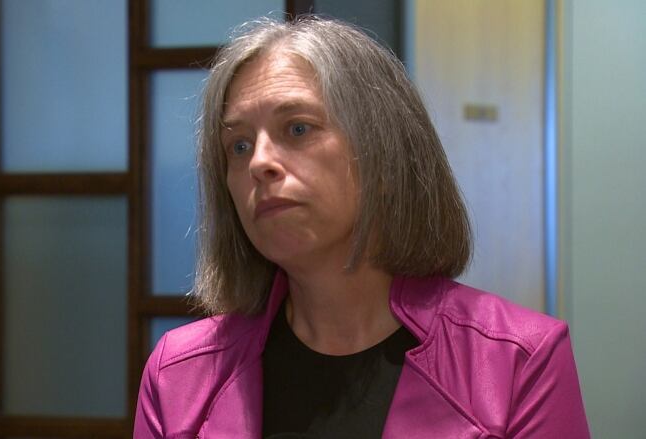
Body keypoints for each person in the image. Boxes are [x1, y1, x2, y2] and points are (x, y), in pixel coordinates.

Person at [134, 16, 590, 438]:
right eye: (238, 145)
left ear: (385, 159)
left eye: (297, 129)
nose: (260, 163)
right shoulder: (178, 374)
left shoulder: (519, 362)